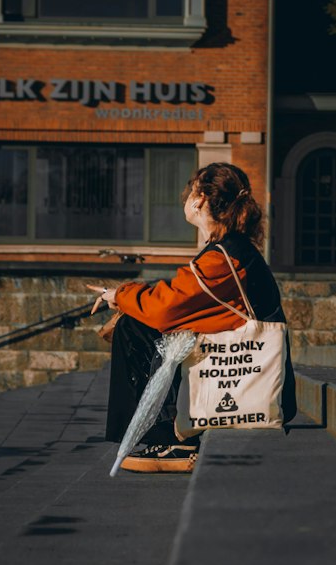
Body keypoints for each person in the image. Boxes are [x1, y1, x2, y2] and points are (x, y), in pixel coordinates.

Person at [88, 162, 296, 474]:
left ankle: (175, 437)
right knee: (138, 322)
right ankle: (169, 431)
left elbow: (167, 307)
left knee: (137, 327)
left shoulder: (223, 257)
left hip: (251, 382)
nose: (185, 198)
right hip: (246, 372)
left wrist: (119, 296)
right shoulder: (229, 250)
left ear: (199, 200)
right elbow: (180, 298)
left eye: (190, 192)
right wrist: (125, 299)